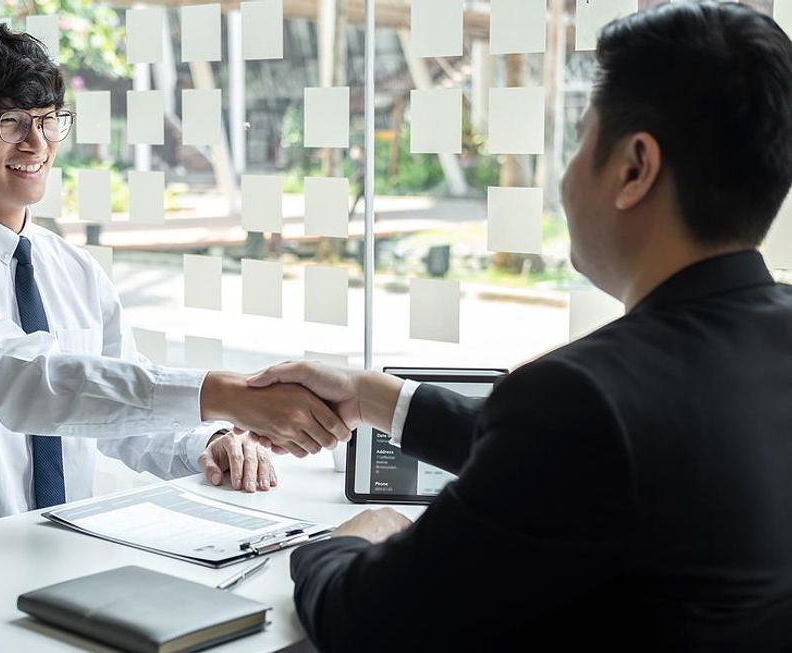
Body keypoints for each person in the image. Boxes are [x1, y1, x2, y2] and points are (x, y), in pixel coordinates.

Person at [246, 3, 792, 650]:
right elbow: (589, 463)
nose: (565, 176)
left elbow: (366, 620)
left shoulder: (582, 398)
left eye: (582, 137)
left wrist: (341, 542)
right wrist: (373, 397)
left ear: (633, 169)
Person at [0, 23, 349, 546]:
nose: (37, 143)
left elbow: (119, 406)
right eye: (10, 122)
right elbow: (20, 378)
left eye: (48, 121)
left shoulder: (72, 268)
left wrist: (210, 440)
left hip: (64, 555)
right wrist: (221, 395)